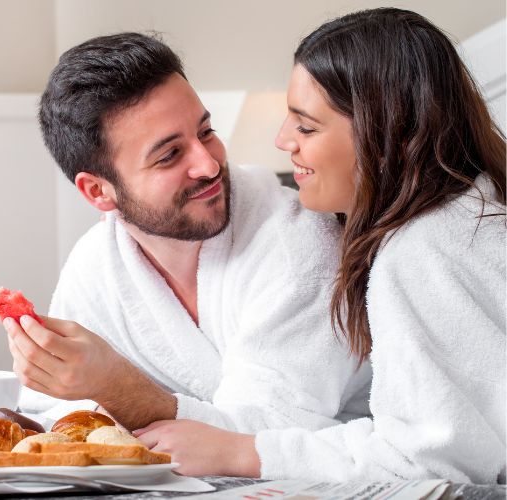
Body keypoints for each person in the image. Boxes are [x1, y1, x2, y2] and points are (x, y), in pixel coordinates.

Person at [134, 8, 506, 484]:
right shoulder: (476, 208)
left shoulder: (422, 253)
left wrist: (243, 452)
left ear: (388, 134)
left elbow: (426, 462)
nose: (282, 139)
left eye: (306, 126)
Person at [1, 32, 371, 435]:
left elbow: (270, 437)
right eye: (170, 155)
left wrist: (115, 387)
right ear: (99, 191)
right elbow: (53, 412)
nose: (209, 165)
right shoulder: (97, 262)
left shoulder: (298, 241)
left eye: (206, 131)